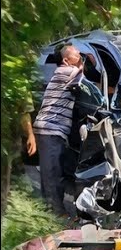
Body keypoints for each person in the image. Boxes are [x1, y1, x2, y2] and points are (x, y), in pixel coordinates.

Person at [33, 43, 88, 216]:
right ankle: (56, 214)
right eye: (77, 55)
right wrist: (88, 60)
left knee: (52, 171)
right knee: (52, 173)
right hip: (50, 129)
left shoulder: (66, 74)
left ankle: (47, 210)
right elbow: (86, 77)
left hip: (52, 130)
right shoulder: (65, 72)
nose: (80, 57)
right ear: (66, 60)